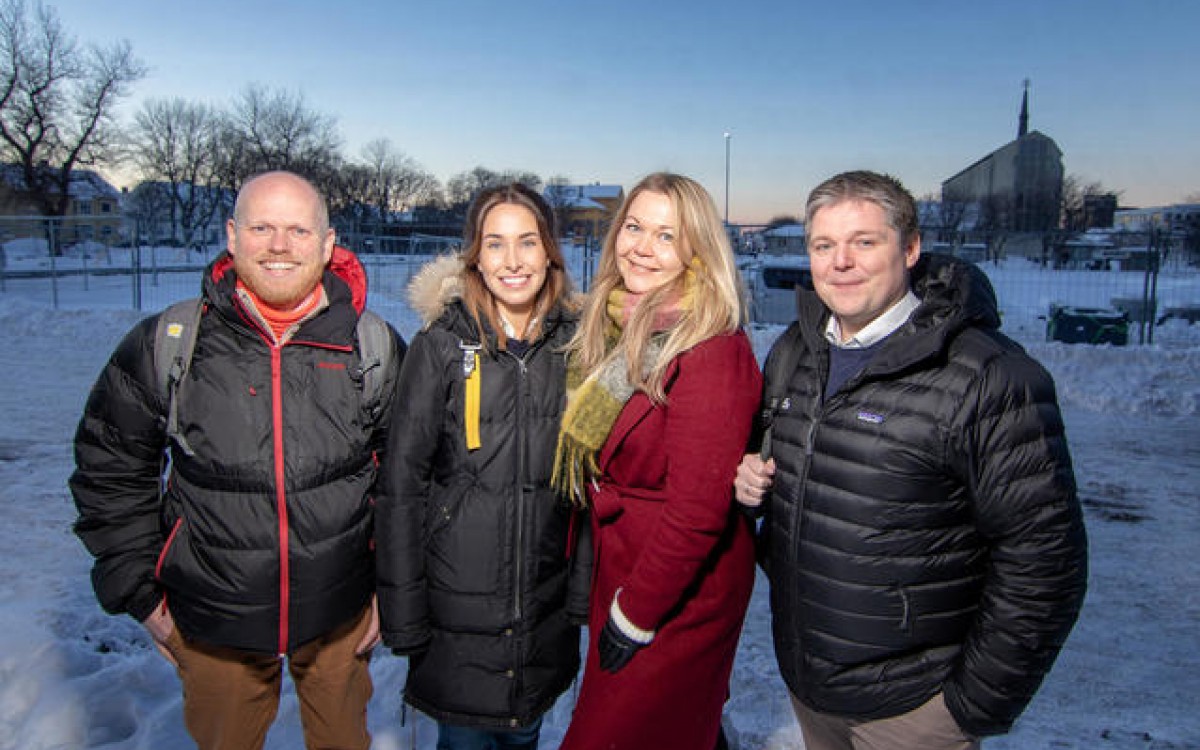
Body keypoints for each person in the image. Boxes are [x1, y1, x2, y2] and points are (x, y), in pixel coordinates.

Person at [735, 170, 1088, 750]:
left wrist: (968, 706)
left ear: (911, 248)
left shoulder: (987, 376)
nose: (840, 262)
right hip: (810, 685)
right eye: (824, 245)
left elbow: (1046, 560)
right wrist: (747, 480)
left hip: (915, 710)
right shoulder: (794, 351)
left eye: (864, 242)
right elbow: (784, 472)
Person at [70, 171, 403, 750]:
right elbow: (109, 469)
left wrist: (392, 591)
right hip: (212, 619)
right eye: (262, 227)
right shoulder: (172, 340)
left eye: (299, 229)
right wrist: (141, 594)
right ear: (232, 235)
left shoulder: (372, 345)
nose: (279, 245)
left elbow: (411, 479)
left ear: (328, 244)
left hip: (341, 612)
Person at [375, 183, 591, 750]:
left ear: (550, 252)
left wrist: (581, 592)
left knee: (525, 735)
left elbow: (591, 481)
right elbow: (402, 485)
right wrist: (403, 611)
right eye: (495, 244)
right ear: (475, 254)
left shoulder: (577, 347)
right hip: (456, 610)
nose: (513, 261)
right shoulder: (443, 345)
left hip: (542, 609)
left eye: (527, 242)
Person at [554, 172, 762, 750]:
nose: (641, 247)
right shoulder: (621, 324)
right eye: (634, 227)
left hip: (675, 588)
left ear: (697, 250)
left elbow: (698, 511)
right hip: (624, 566)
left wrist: (636, 614)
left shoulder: (711, 347)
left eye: (666, 236)